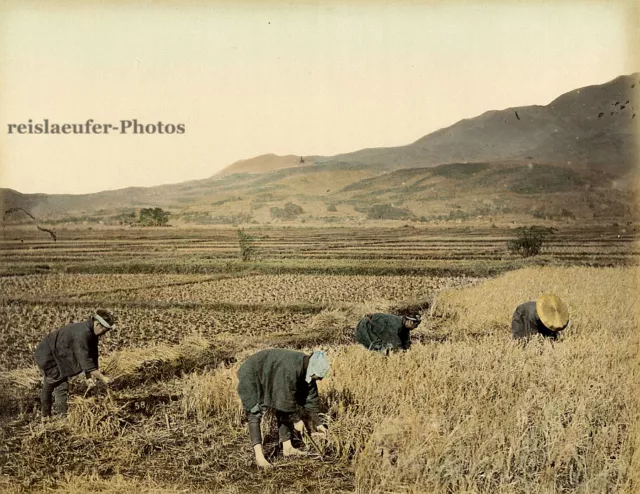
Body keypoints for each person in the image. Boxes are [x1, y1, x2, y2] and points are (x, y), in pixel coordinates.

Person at [237, 348, 330, 469]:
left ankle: (288, 447)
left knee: (283, 408)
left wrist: (318, 423)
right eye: (318, 377)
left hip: (272, 373)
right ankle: (259, 457)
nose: (319, 380)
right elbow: (285, 400)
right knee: (254, 412)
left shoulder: (308, 370)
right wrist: (297, 420)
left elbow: (310, 398)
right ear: (313, 371)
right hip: (254, 373)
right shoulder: (291, 370)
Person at [34, 310, 116, 419]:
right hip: (48, 355)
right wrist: (102, 377)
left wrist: (89, 377)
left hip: (58, 354)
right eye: (104, 331)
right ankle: (48, 416)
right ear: (97, 324)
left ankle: (58, 416)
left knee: (59, 385)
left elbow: (92, 355)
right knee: (54, 384)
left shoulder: (91, 332)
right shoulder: (82, 334)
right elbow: (85, 359)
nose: (104, 334)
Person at [355, 313, 422, 353]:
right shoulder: (395, 325)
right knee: (381, 348)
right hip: (364, 328)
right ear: (410, 322)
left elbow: (405, 341)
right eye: (416, 325)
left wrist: (408, 350)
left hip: (375, 327)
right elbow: (396, 343)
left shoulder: (405, 326)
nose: (415, 327)